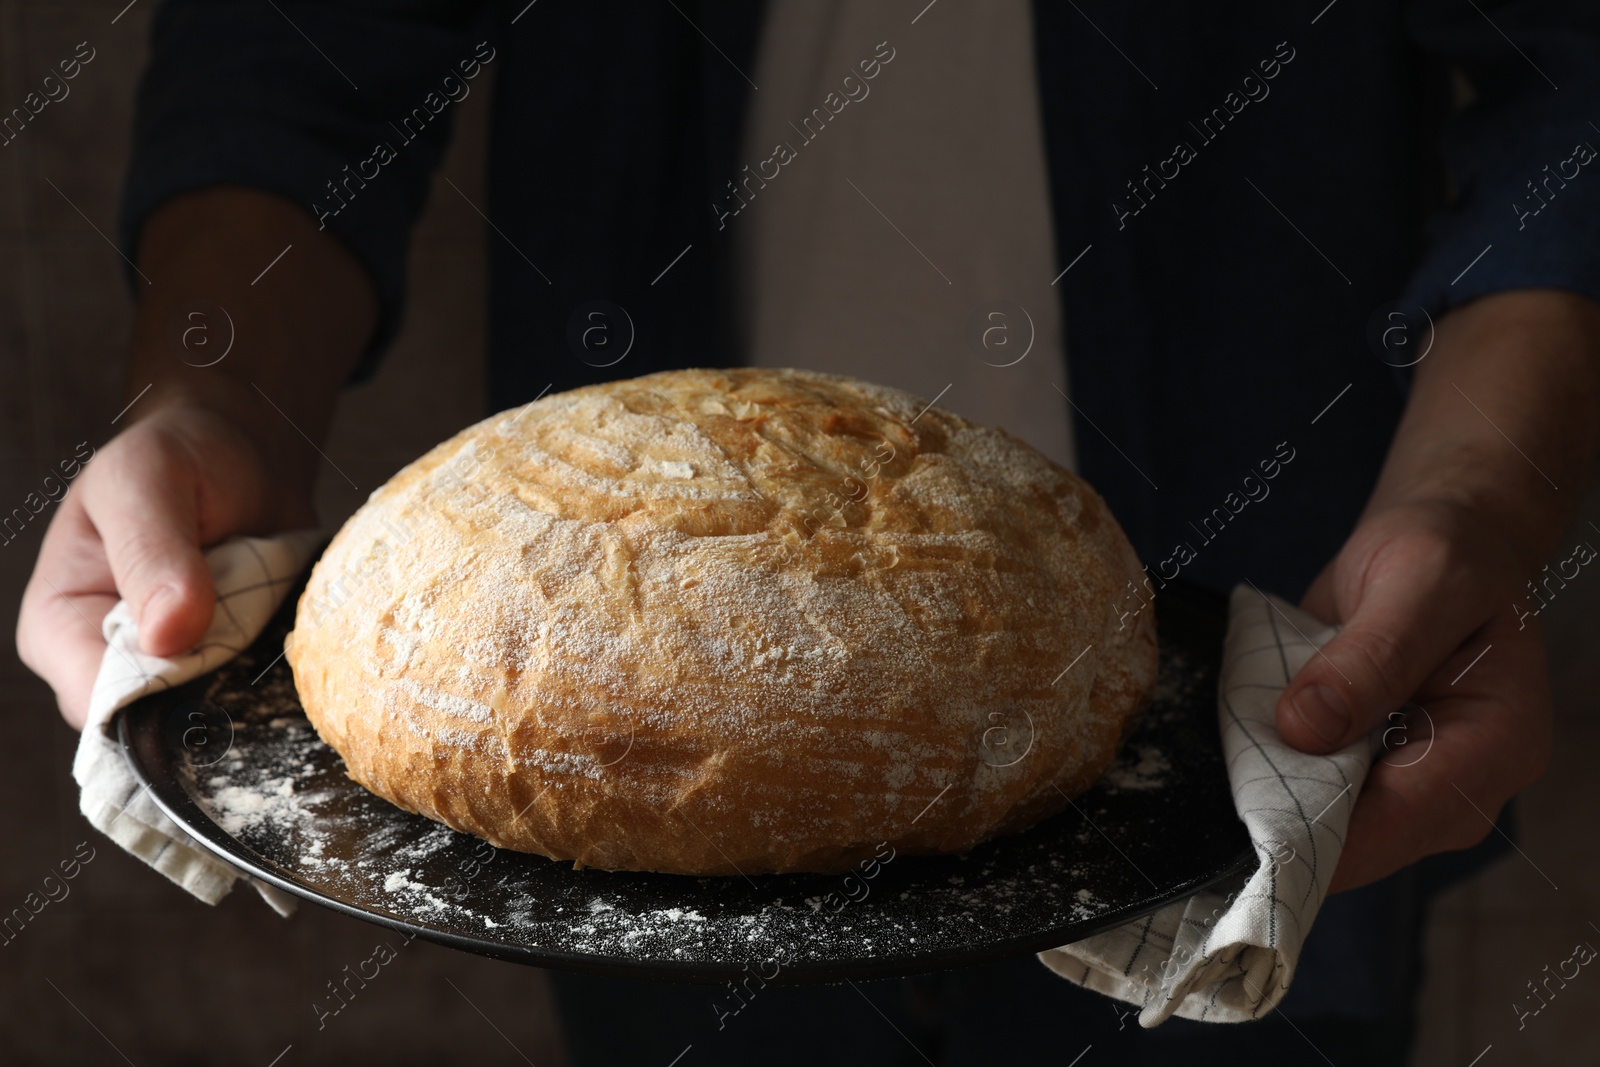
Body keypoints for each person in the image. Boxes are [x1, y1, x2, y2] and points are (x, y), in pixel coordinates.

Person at [16, 1, 1600, 1063]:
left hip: (1259, 698)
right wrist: (210, 401)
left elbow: (1570, 72)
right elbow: (296, 52)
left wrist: (1477, 499)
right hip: (598, 690)